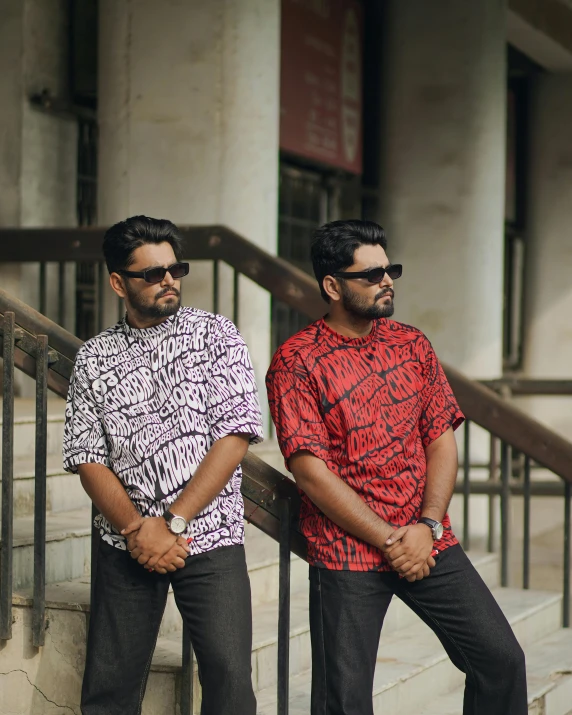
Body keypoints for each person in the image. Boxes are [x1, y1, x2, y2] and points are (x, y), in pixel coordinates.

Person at [265, 219, 527, 715]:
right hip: (347, 552)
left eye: (391, 270)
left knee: (500, 660)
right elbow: (310, 470)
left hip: (427, 541)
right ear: (332, 285)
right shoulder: (297, 361)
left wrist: (427, 524)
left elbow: (441, 440)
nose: (387, 281)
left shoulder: (412, 344)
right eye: (371, 274)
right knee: (343, 703)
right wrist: (390, 538)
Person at [63, 215, 263, 715]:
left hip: (209, 534)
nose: (168, 280)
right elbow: (87, 456)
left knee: (231, 680)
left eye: (175, 268)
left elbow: (234, 434)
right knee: (109, 687)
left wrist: (174, 522)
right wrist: (136, 529)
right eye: (152, 273)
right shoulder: (93, 358)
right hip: (125, 543)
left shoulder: (216, 335)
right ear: (118, 283)